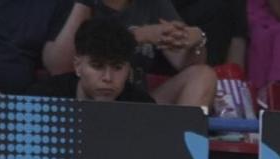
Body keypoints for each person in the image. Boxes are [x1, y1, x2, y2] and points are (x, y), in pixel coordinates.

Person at [55, 0, 216, 109]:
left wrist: (196, 39)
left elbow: (184, 62)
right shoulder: (81, 4)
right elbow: (60, 65)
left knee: (203, 75)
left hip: (138, 103)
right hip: (82, 102)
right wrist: (140, 35)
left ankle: (180, 155)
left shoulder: (153, 4)